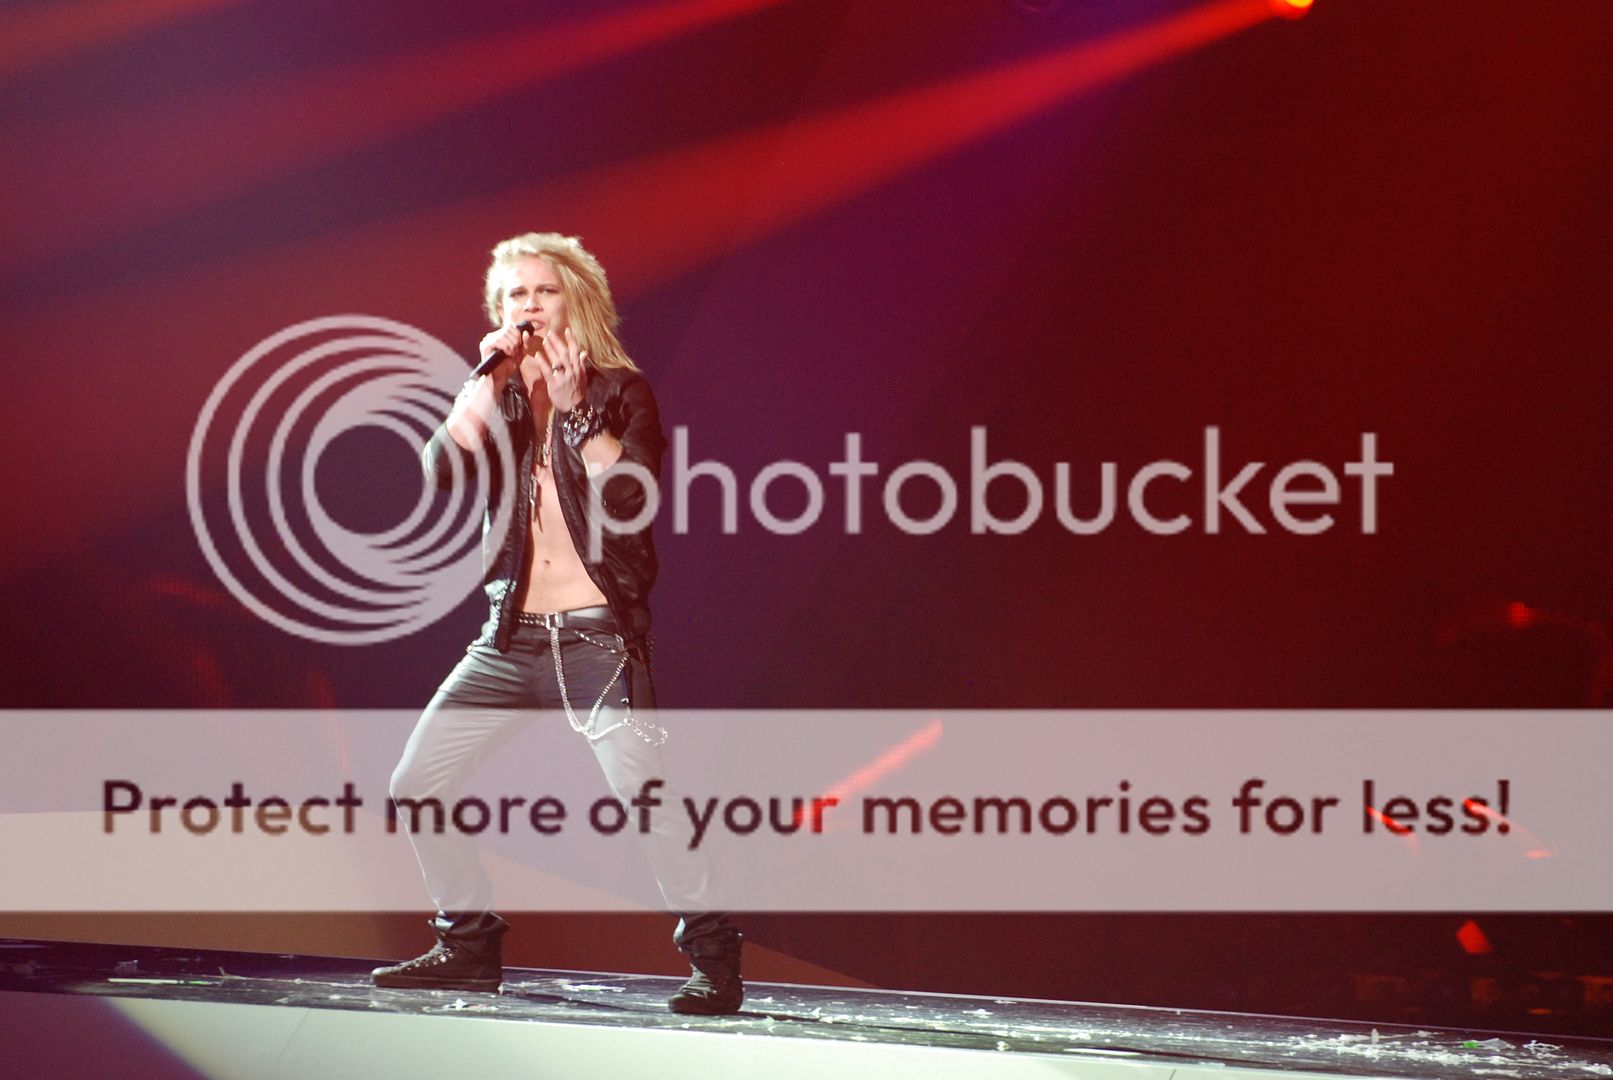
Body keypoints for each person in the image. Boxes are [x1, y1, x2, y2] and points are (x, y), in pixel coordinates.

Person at [371, 232, 742, 1015]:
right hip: (507, 640)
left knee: (646, 797)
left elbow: (632, 496)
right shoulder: (499, 395)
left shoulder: (620, 391)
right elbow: (439, 469)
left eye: (543, 290)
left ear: (575, 300)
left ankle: (713, 955)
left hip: (596, 640)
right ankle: (467, 943)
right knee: (416, 783)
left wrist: (575, 413)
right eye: (516, 294)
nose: (530, 306)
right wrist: (486, 375)